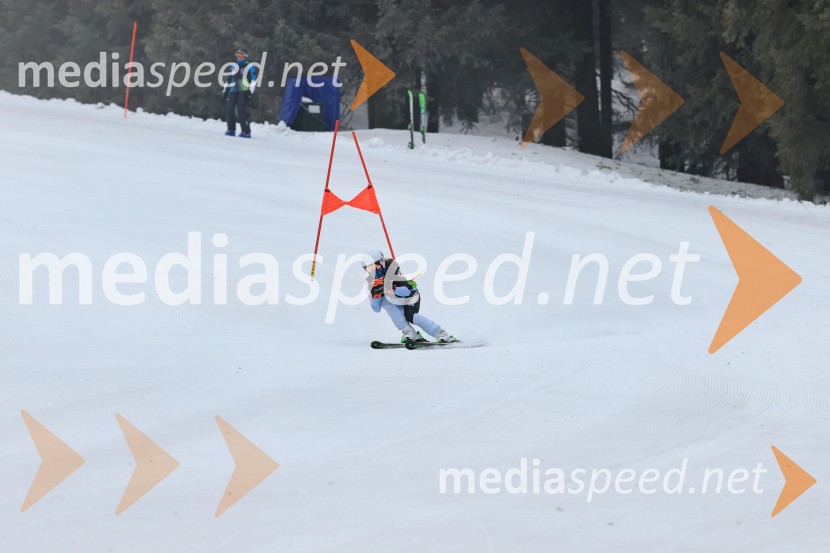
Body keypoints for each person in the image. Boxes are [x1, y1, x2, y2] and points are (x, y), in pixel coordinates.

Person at [363, 249, 457, 344]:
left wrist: (392, 289)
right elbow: (376, 309)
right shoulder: (371, 281)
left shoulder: (392, 270)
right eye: (369, 269)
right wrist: (376, 295)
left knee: (410, 316)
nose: (373, 271)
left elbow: (406, 292)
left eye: (375, 266)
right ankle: (409, 332)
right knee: (386, 303)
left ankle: (441, 333)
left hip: (411, 296)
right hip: (395, 300)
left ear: (382, 262)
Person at [223, 48, 257, 138]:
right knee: (230, 109)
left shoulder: (248, 65)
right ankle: (231, 129)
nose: (239, 56)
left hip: (244, 90)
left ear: (245, 55)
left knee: (241, 110)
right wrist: (225, 91)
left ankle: (246, 131)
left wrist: (250, 91)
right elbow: (229, 79)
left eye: (241, 54)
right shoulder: (233, 66)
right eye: (237, 54)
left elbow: (253, 78)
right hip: (233, 89)